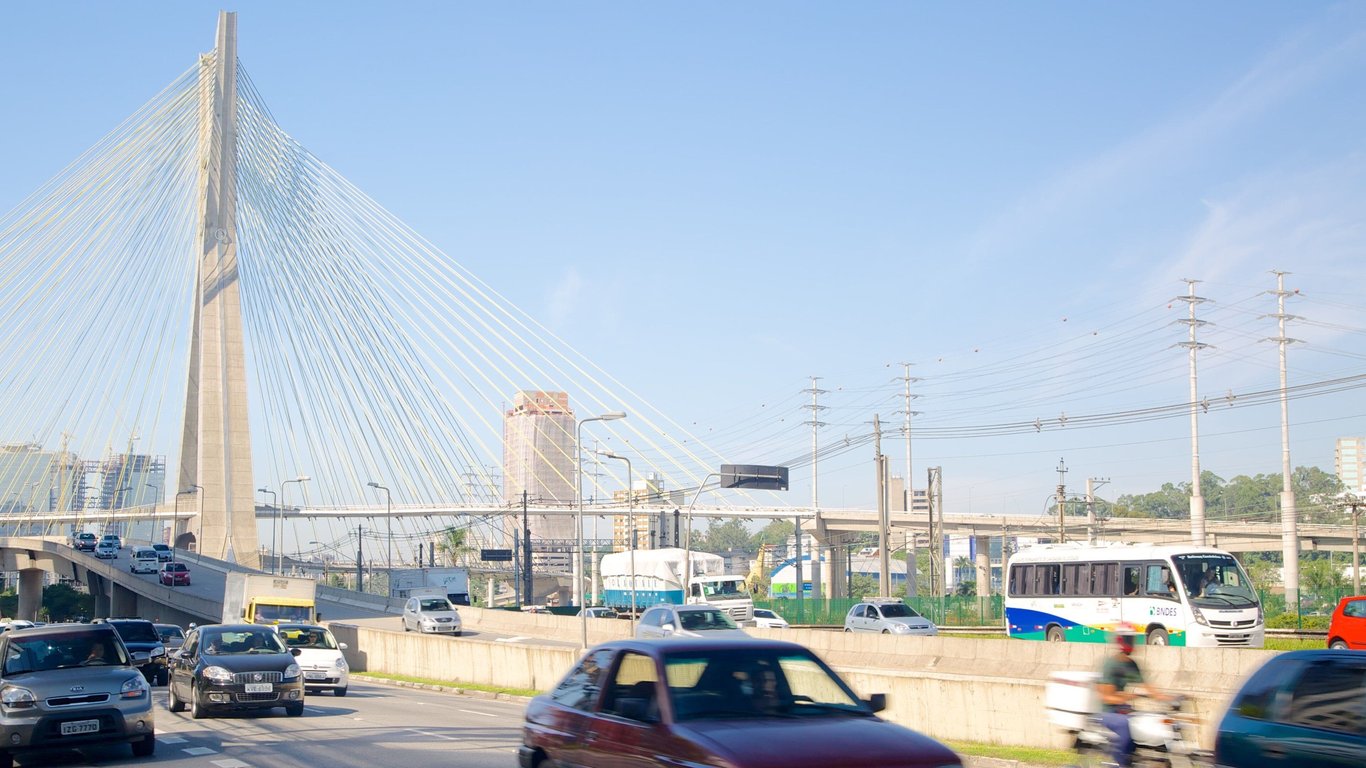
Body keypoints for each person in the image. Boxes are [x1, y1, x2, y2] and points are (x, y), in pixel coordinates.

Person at [1096, 624, 1163, 768]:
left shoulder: (1132, 664)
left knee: (1151, 722)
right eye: (1128, 639)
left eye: (1132, 639)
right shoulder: (1111, 665)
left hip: (1124, 710)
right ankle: (1121, 764)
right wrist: (1127, 697)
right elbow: (1106, 697)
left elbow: (1148, 687)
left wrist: (1168, 698)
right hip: (1108, 712)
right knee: (1125, 725)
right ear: (1121, 640)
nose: (1131, 643)